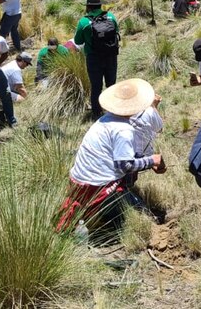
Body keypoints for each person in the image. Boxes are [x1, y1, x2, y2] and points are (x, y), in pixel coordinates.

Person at [55, 79, 166, 241]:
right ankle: (103, 214)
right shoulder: (124, 129)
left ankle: (98, 210)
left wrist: (146, 162)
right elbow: (125, 165)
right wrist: (152, 160)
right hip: (98, 188)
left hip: (78, 185)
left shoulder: (105, 120)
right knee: (142, 217)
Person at [74, 0, 119, 119]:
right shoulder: (111, 17)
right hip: (111, 56)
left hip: (94, 58)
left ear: (88, 6)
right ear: (100, 5)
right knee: (112, 84)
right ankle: (115, 111)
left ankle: (97, 113)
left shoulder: (83, 22)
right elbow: (117, 31)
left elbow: (78, 41)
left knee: (96, 86)